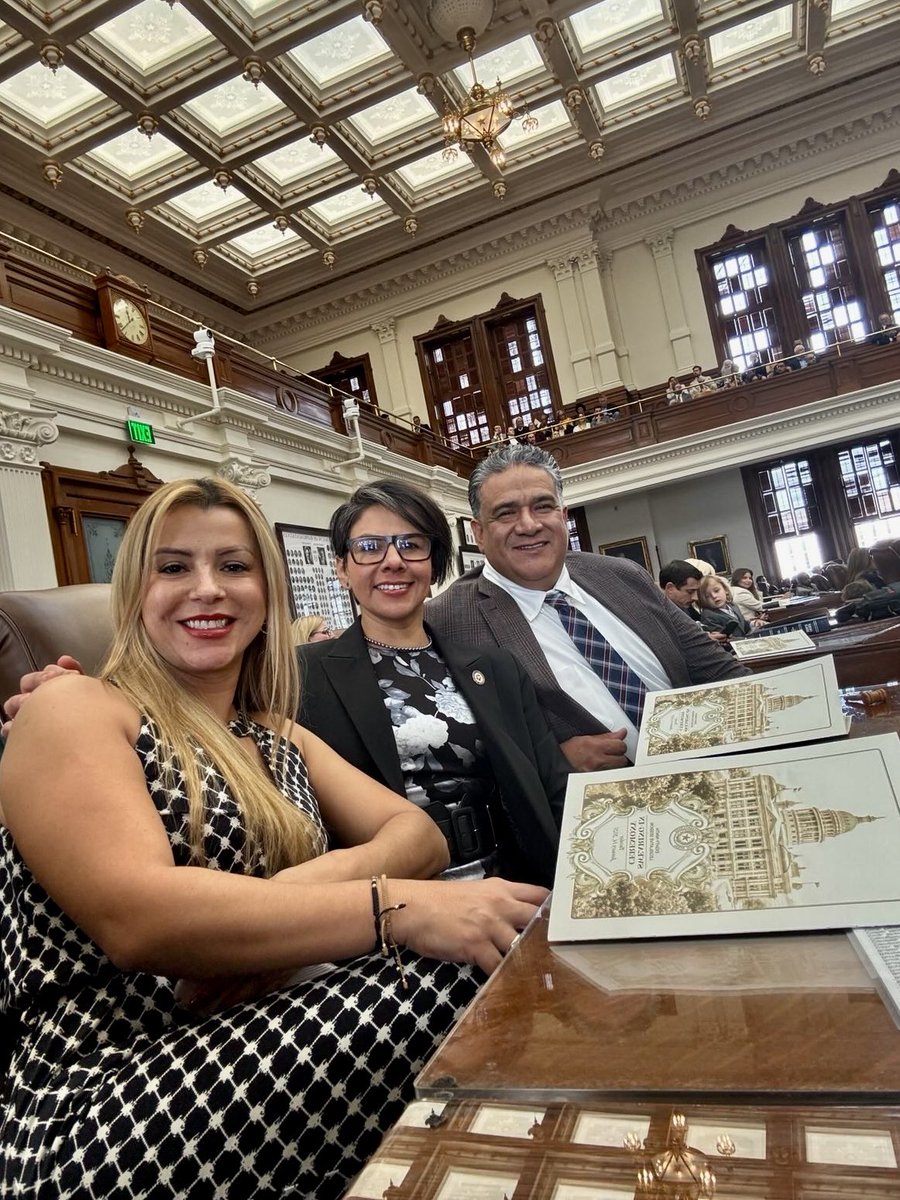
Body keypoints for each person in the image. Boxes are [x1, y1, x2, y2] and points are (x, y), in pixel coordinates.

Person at [0, 477, 545, 1199]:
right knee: (465, 966)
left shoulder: (276, 736)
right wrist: (390, 908)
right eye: (173, 567)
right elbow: (142, 920)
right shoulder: (76, 707)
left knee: (498, 936)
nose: (208, 589)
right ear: (134, 590)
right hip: (99, 1094)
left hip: (256, 1031)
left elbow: (418, 835)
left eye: (234, 566)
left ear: (268, 592)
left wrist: (280, 907)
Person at [298, 480, 573, 886]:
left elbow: (555, 789)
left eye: (411, 545)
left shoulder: (495, 667)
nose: (393, 561)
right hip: (393, 906)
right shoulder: (302, 674)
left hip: (514, 887)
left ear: (434, 566)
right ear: (342, 568)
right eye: (370, 547)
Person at [426, 444, 747, 771]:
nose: (528, 525)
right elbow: (450, 756)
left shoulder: (623, 576)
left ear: (562, 516)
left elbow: (718, 671)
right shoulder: (446, 621)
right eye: (506, 512)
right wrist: (552, 763)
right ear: (478, 532)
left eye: (543, 506)